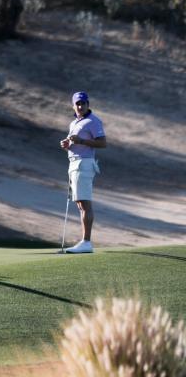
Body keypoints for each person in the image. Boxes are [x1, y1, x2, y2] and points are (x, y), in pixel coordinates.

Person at [59, 91, 106, 254]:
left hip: (84, 163)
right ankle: (85, 241)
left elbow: (102, 143)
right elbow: (75, 143)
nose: (80, 106)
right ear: (73, 105)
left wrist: (81, 141)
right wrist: (68, 144)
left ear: (88, 104)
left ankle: (86, 242)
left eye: (83, 103)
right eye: (77, 103)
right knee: (80, 204)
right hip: (74, 163)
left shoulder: (93, 121)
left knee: (85, 203)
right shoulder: (74, 123)